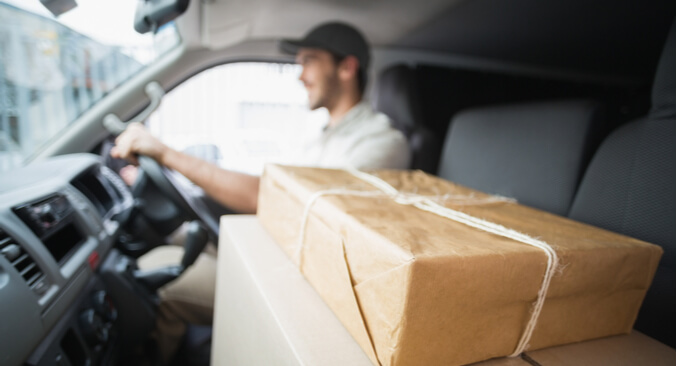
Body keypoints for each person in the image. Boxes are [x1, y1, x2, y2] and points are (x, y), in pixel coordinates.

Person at [111, 21, 410, 363]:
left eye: (309, 61)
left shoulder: (381, 144)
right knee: (167, 248)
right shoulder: (321, 136)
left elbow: (269, 196)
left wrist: (165, 153)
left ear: (347, 67)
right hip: (274, 255)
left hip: (303, 288)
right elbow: (272, 190)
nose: (300, 76)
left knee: (158, 278)